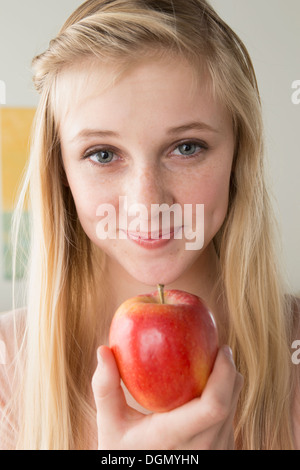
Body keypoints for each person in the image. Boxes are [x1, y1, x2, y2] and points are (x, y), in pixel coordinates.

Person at [0, 0, 299, 450]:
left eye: (187, 148)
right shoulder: (8, 366)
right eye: (102, 154)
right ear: (61, 173)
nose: (147, 202)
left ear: (240, 156)